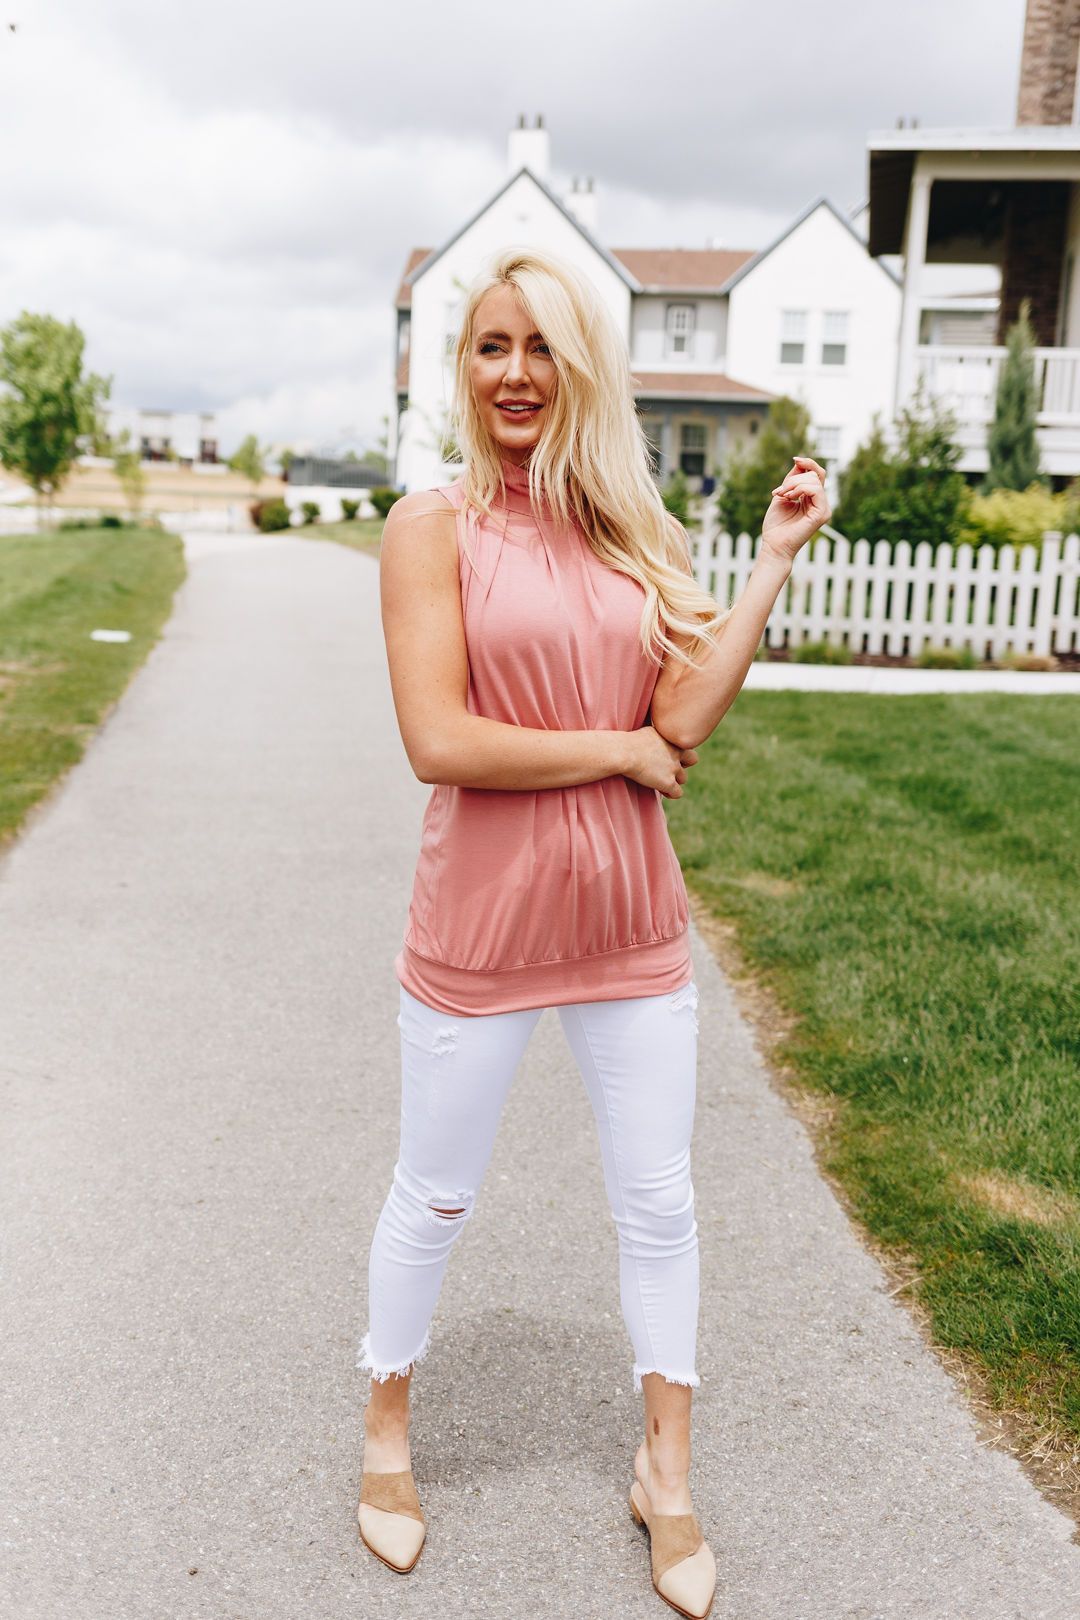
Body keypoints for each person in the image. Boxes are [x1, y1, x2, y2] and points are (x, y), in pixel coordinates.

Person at [356, 244, 831, 1617]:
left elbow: (678, 725)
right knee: (435, 1196)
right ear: (465, 369)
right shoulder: (427, 526)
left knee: (661, 1204)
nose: (515, 371)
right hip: (481, 932)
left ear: (582, 368)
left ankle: (665, 1474)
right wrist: (611, 749)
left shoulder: (642, 535)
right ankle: (386, 1432)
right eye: (490, 345)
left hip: (632, 926)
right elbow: (435, 738)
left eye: (541, 346)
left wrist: (771, 568)